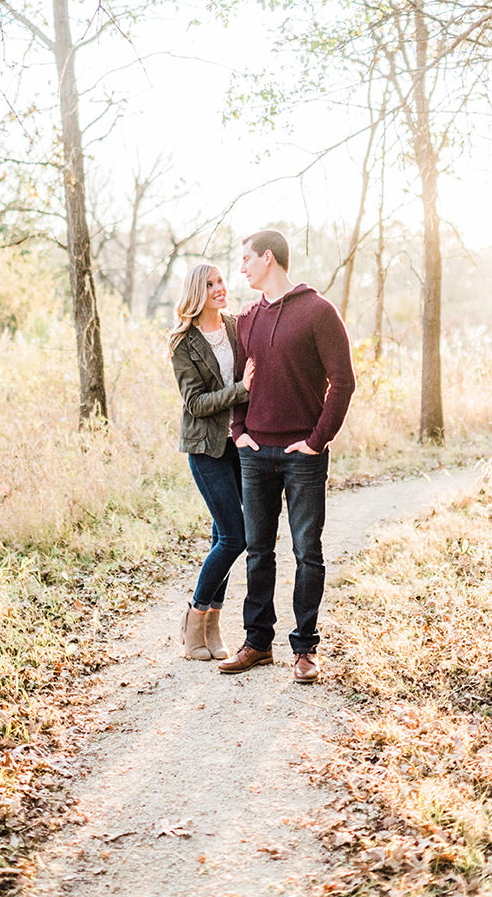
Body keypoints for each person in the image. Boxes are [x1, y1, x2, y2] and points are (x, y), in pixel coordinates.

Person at [219, 229, 356, 683]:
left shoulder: (318, 312)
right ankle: (257, 643)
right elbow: (242, 381)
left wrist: (318, 439)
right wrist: (238, 431)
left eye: (246, 260)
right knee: (258, 551)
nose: (241, 269)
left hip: (303, 454)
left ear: (270, 258)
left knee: (306, 552)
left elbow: (343, 382)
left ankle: (305, 649)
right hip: (256, 454)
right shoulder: (248, 319)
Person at [169, 262, 254, 661]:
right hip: (206, 449)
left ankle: (212, 626)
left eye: (221, 281)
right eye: (211, 284)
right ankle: (194, 615)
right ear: (196, 292)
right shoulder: (184, 343)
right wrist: (241, 390)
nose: (221, 288)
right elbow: (195, 403)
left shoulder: (238, 327)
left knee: (221, 536)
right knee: (235, 537)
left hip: (240, 444)